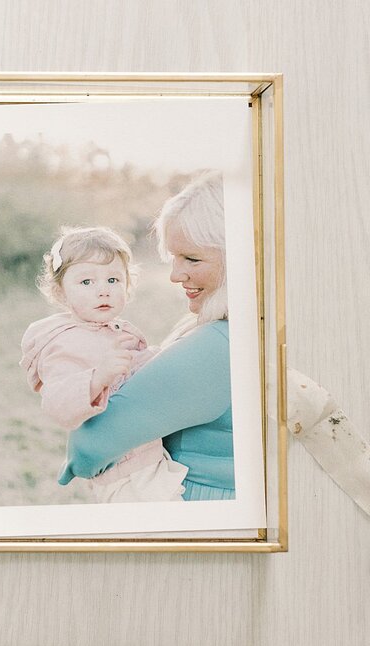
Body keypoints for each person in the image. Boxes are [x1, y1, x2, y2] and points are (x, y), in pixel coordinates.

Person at [57, 172, 235, 501]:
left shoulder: (219, 346)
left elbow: (88, 447)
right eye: (173, 257)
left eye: (192, 258)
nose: (174, 274)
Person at [20, 225, 187, 502]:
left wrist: (167, 356)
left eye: (113, 280)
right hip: (123, 472)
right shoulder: (63, 343)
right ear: (60, 292)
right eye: (87, 282)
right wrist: (98, 376)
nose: (103, 291)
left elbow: (138, 369)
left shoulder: (116, 330)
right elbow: (57, 403)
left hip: (148, 455)